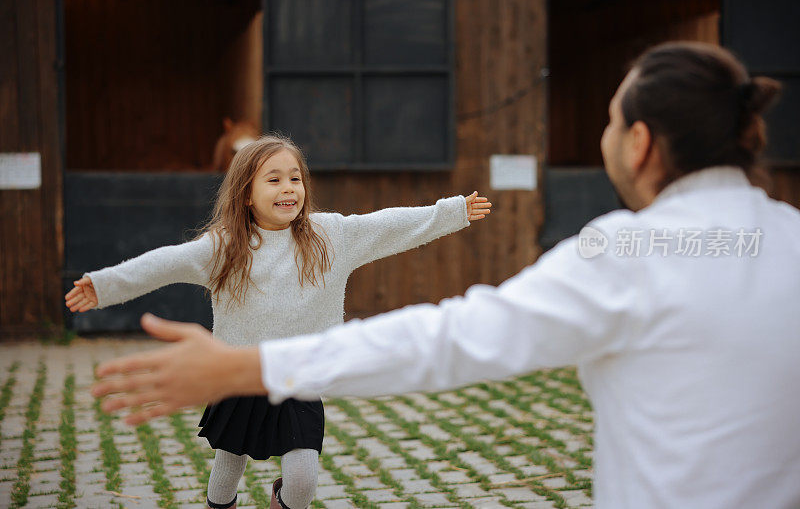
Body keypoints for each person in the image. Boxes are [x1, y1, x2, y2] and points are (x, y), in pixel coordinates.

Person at [92, 42, 800, 509]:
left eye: (611, 121)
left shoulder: (620, 253)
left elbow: (450, 339)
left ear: (639, 143)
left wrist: (258, 366)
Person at [67, 134, 492, 509]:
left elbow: (389, 226)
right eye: (273, 179)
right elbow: (165, 263)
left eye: (295, 178)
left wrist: (452, 211)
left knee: (303, 479)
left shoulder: (331, 237)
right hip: (238, 374)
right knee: (227, 468)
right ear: (246, 193)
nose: (289, 188)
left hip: (300, 375)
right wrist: (104, 285)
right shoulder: (225, 247)